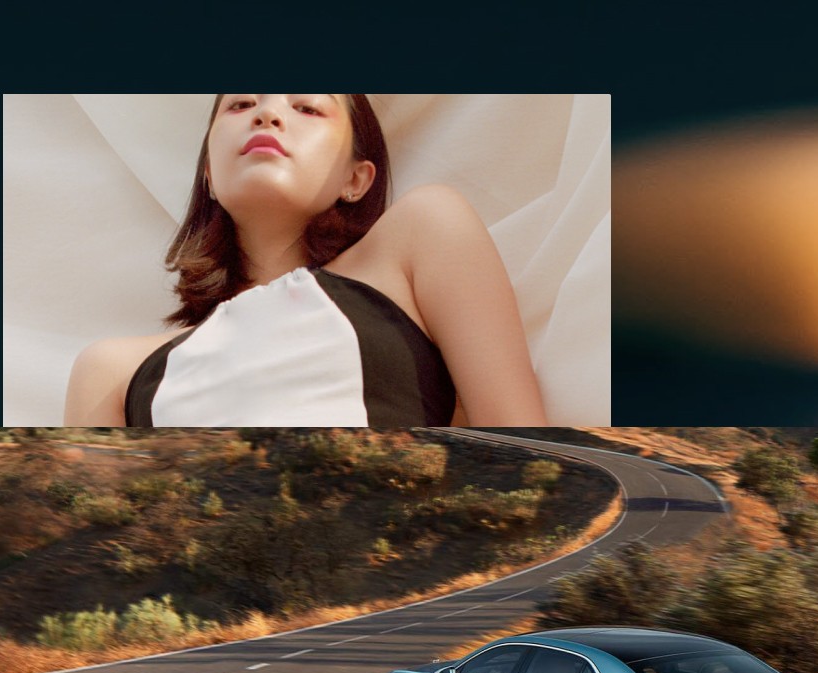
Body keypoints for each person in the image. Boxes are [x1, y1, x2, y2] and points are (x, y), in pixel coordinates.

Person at [64, 95, 549, 427]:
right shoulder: (112, 370)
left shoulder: (421, 233)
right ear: (209, 174)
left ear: (356, 179)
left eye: (308, 108)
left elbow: (528, 449)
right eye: (240, 105)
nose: (268, 115)